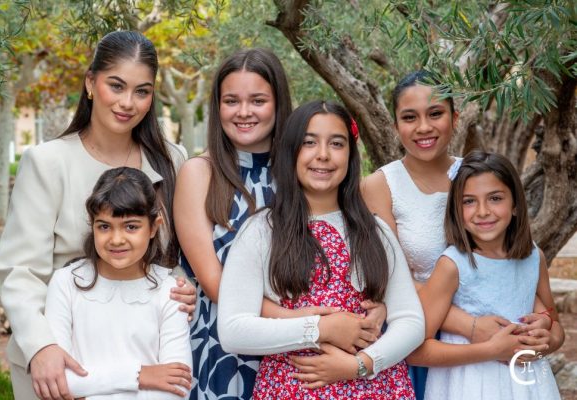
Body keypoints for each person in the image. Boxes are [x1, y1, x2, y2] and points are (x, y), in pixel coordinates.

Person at [0, 31, 195, 400]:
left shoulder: (172, 160)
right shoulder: (47, 162)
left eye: (142, 91)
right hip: (63, 361)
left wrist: (182, 288)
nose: (127, 102)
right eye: (116, 86)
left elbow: (176, 253)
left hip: (146, 357)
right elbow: (20, 271)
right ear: (90, 83)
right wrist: (41, 347)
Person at [360, 70, 561, 399]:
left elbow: (517, 275)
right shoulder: (379, 186)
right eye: (410, 117)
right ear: (395, 125)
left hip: (501, 339)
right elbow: (393, 278)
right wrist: (471, 325)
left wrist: (544, 326)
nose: (424, 127)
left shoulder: (476, 176)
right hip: (423, 332)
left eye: (435, 113)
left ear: (455, 119)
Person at [217, 101, 424, 399]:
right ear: (290, 152)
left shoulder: (375, 232)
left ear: (351, 155)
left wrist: (361, 364)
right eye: (309, 142)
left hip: (378, 388)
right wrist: (320, 329)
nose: (323, 154)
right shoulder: (262, 231)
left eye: (336, 143)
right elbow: (233, 330)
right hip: (291, 390)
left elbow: (411, 321)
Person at [173, 48, 293, 400]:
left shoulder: (301, 173)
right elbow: (215, 285)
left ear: (278, 103)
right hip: (224, 345)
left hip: (294, 351)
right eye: (231, 101)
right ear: (217, 106)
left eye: (258, 100)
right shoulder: (199, 174)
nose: (243, 112)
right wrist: (305, 322)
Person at [409, 150, 564, 399]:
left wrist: (541, 343)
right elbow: (415, 351)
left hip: (527, 386)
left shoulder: (534, 258)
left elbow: (555, 329)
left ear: (515, 205)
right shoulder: (452, 265)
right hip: (468, 386)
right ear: (456, 210)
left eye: (495, 198)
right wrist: (491, 350)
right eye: (469, 201)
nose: (482, 211)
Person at [45, 167, 192, 399]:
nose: (116, 239)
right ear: (92, 224)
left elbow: (177, 387)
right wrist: (140, 375)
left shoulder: (170, 292)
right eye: (104, 226)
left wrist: (90, 386)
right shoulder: (66, 283)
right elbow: (58, 380)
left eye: (131, 226)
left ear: (154, 227)